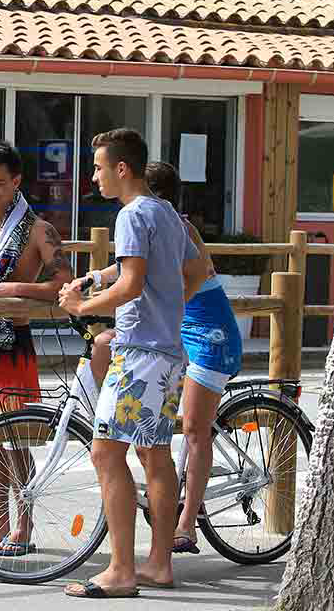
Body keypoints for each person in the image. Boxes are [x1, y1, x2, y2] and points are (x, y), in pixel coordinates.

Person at [58, 129, 205, 598]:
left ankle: (121, 570)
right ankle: (158, 564)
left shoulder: (131, 214)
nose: (94, 176)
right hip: (166, 350)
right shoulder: (166, 212)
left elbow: (132, 283)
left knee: (106, 452)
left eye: (99, 167)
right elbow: (197, 270)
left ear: (122, 169)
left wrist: (83, 306)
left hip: (139, 350)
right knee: (155, 455)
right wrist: (168, 307)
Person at [77, 162, 243, 555]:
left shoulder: (172, 223)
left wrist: (169, 308)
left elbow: (198, 272)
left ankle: (186, 524)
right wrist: (94, 280)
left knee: (194, 427)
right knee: (103, 346)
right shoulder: (155, 220)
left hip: (209, 335)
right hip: (173, 332)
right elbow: (127, 266)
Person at [0, 140, 73, 557]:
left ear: (17, 181)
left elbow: (64, 284)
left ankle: (24, 525)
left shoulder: (40, 230)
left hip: (13, 341)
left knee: (17, 438)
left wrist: (13, 288)